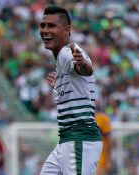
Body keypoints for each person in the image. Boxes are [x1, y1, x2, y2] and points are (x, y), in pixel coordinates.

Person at [40, 6, 102, 175]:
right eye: (43, 25)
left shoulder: (67, 54)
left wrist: (82, 64)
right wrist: (58, 87)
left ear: (67, 30)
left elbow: (85, 69)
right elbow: (81, 84)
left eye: (51, 26)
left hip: (79, 139)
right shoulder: (67, 55)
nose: (45, 30)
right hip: (67, 140)